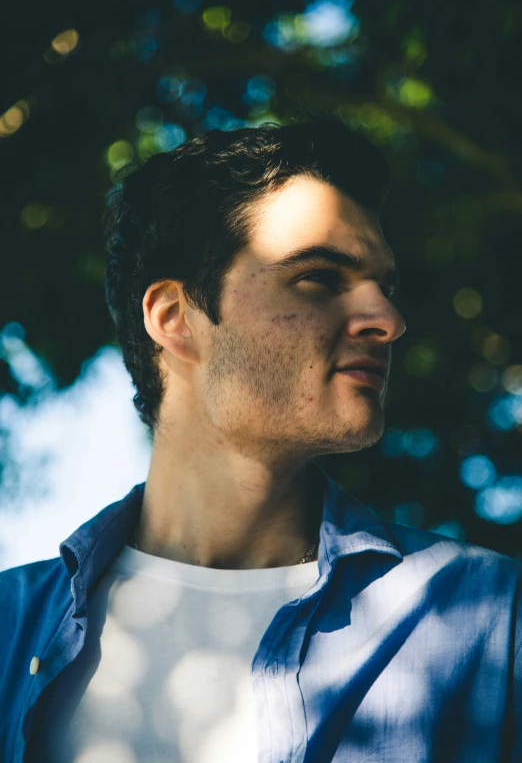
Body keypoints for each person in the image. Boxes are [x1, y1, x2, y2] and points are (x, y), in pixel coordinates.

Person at [0, 116, 520, 763]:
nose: (388, 319)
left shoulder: (487, 616)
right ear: (175, 318)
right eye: (319, 278)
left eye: (384, 288)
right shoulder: (7, 629)